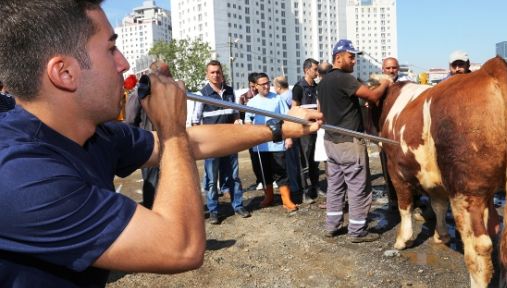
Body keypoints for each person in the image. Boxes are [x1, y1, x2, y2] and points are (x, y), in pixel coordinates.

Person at [0, 1, 322, 286]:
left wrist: (278, 130)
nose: (123, 63)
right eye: (111, 49)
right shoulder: (19, 175)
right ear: (65, 72)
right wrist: (171, 126)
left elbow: (192, 142)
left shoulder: (94, 133)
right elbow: (180, 246)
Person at [317, 39, 391, 243]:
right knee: (358, 187)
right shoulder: (344, 79)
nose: (354, 61)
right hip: (349, 142)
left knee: (335, 186)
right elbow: (373, 97)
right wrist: (385, 81)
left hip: (331, 141)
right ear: (338, 57)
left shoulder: (323, 83)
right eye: (351, 57)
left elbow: (323, 111)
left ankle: (332, 226)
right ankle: (357, 231)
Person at [191, 60, 250, 224]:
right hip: (211, 145)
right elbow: (195, 121)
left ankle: (238, 205)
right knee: (211, 179)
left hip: (230, 141)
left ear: (221, 73)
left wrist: (238, 120)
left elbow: (236, 114)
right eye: (212, 72)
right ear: (207, 74)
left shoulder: (230, 92)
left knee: (234, 176)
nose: (216, 75)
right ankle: (213, 211)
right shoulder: (202, 94)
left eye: (218, 72)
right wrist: (200, 143)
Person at [245, 73, 298, 212]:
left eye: (267, 83)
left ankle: (286, 200)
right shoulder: (252, 103)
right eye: (263, 84)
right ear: (256, 86)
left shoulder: (278, 99)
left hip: (277, 143)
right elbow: (248, 122)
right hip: (259, 146)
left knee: (281, 171)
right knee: (263, 172)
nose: (266, 86)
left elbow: (286, 119)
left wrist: (289, 137)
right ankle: (268, 197)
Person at [124, 61, 169, 209]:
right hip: (149, 145)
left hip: (167, 143)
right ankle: (152, 213)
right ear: (153, 74)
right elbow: (130, 121)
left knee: (167, 180)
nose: (168, 77)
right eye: (164, 73)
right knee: (151, 181)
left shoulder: (166, 93)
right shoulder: (139, 93)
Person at [292, 58, 321, 203]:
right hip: (304, 131)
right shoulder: (298, 87)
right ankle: (304, 191)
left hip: (317, 129)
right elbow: (294, 108)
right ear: (306, 70)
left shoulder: (317, 87)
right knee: (304, 161)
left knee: (315, 160)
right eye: (315, 69)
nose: (317, 72)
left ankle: (315, 186)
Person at [274, 75, 302, 202]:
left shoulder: (281, 99)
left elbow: (285, 120)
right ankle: (299, 187)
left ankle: (295, 190)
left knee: (290, 164)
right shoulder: (293, 95)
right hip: (298, 133)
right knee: (297, 162)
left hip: (288, 134)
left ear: (278, 86)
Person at [240, 72, 264, 190]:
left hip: (264, 131)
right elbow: (241, 116)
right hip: (251, 131)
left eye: (256, 84)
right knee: (254, 156)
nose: (254, 87)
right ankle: (259, 179)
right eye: (252, 84)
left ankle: (269, 179)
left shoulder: (264, 95)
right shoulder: (244, 97)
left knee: (267, 156)